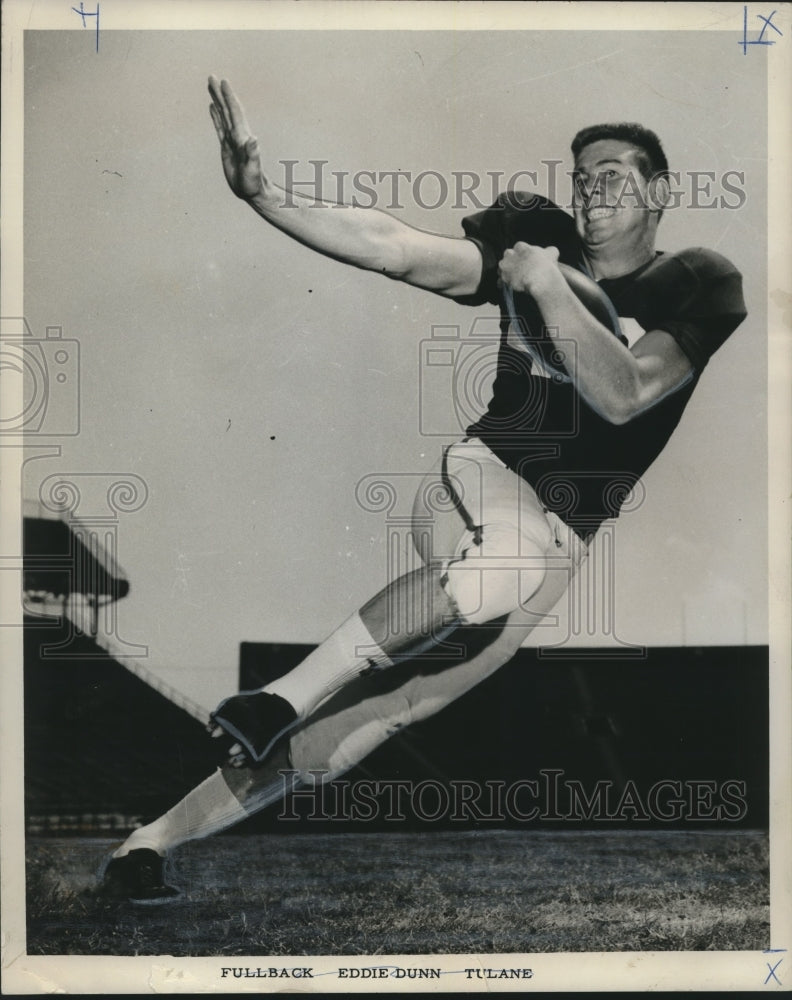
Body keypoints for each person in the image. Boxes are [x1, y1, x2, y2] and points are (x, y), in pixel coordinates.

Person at [101, 77, 746, 902]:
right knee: (500, 567)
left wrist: (551, 287)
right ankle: (275, 695)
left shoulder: (695, 277)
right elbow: (394, 245)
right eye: (583, 175)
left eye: (615, 174)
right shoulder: (539, 244)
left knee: (359, 728)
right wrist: (265, 198)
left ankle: (147, 845)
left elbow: (625, 393)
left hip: (561, 543)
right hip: (485, 483)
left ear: (660, 190)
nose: (592, 191)